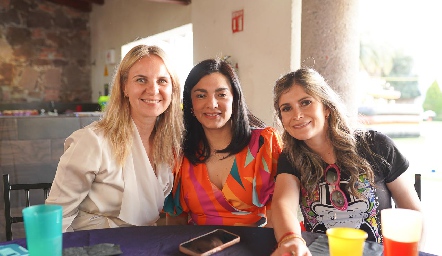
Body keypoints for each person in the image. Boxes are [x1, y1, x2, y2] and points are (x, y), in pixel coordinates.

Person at [270, 68, 422, 256]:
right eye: (287, 108)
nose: (297, 115)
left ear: (326, 107)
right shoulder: (290, 157)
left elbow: (413, 213)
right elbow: (282, 203)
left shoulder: (376, 145)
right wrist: (291, 238)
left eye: (306, 102)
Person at [45, 45, 183, 232]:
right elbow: (55, 218)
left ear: (173, 89)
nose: (153, 89)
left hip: (141, 244)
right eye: (141, 80)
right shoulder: (93, 141)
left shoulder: (170, 144)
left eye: (162, 81)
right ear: (124, 87)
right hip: (91, 247)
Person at [165, 58, 282, 227]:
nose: (212, 104)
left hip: (254, 245)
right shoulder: (179, 153)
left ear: (235, 99)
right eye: (201, 95)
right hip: (199, 248)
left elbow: (277, 214)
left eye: (221, 94)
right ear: (190, 103)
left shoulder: (264, 143)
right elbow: (175, 220)